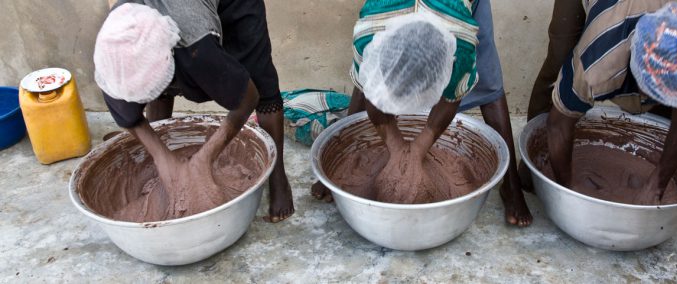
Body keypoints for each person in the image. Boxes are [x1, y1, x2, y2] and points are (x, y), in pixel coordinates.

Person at [310, 0, 532, 227]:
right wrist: (396, 146)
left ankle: (511, 184)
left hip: (454, 11)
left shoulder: (461, 48)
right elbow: (369, 89)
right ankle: (338, 165)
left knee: (489, 79)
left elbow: (451, 97)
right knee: (369, 82)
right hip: (388, 13)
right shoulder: (367, 38)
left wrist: (419, 147)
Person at [94, 0, 294, 223]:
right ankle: (162, 157)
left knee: (259, 75)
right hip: (173, 26)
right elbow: (128, 115)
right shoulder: (114, 51)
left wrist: (204, 158)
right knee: (150, 88)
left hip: (228, 7)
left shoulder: (196, 48)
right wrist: (162, 158)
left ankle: (278, 178)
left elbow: (248, 98)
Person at [544, 1, 677, 210]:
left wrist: (656, 187)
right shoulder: (596, 69)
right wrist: (568, 189)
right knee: (557, 63)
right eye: (659, 94)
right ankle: (531, 172)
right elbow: (558, 125)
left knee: (676, 110)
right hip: (612, 24)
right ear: (638, 76)